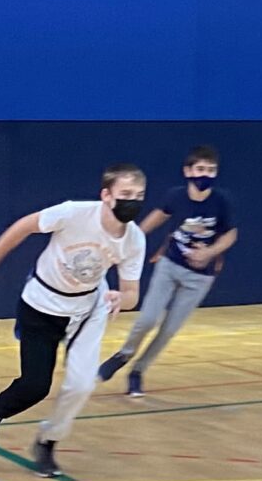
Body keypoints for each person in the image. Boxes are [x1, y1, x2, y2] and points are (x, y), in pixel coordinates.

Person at [0, 166, 149, 477]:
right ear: (106, 195)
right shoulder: (74, 213)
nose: (133, 201)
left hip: (88, 310)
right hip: (41, 304)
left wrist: (122, 299)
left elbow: (132, 293)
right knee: (35, 386)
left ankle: (47, 441)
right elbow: (25, 226)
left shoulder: (134, 240)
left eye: (139, 196)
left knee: (81, 385)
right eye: (126, 194)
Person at [101, 147, 236, 400]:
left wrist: (210, 252)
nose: (205, 175)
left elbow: (230, 234)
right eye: (200, 169)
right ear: (188, 171)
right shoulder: (176, 196)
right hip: (170, 266)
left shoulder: (221, 201)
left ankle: (138, 371)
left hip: (200, 276)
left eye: (211, 170)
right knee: (148, 319)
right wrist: (130, 239)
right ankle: (124, 354)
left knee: (169, 329)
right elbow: (156, 218)